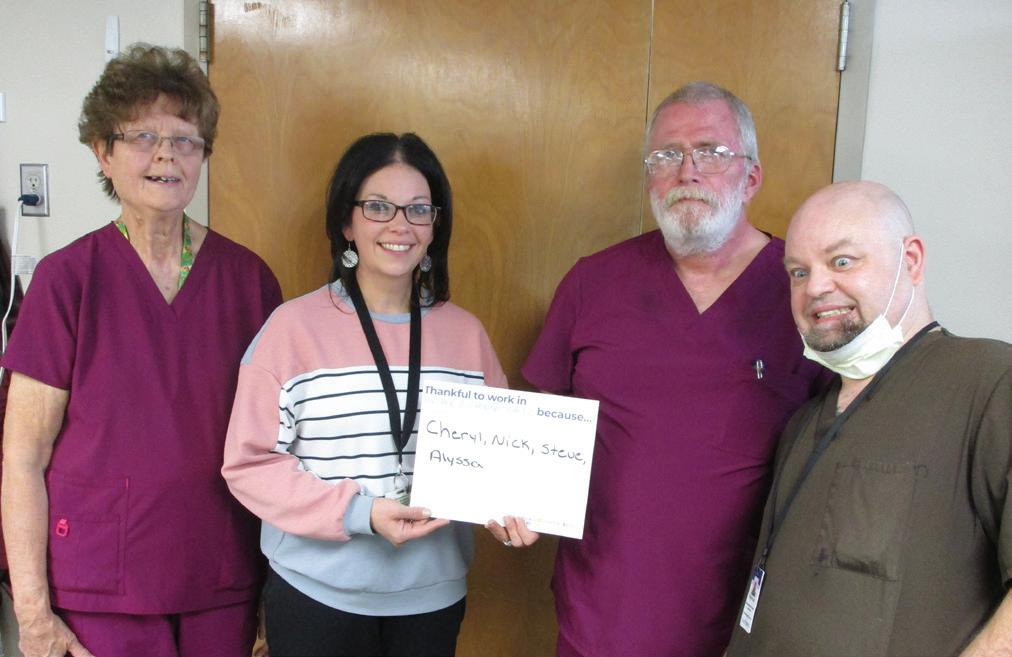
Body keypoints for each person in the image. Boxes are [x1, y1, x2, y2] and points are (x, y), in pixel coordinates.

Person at [521, 81, 827, 657]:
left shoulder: (804, 296)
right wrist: (513, 500)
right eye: (666, 156)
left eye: (711, 152)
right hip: (602, 617)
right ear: (650, 179)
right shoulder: (592, 284)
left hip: (745, 628)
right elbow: (538, 430)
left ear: (751, 177)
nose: (687, 172)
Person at [0, 44, 282, 657]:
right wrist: (33, 613)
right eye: (142, 136)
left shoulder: (249, 281)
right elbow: (22, 458)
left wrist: (277, 593)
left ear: (203, 154)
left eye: (185, 139)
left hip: (221, 571)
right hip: (100, 579)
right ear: (102, 151)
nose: (165, 155)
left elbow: (278, 448)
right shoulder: (66, 280)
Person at [222, 132, 537, 657]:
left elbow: (498, 463)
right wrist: (359, 513)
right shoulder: (290, 330)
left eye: (418, 209)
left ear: (435, 226)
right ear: (347, 223)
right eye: (378, 206)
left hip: (431, 599)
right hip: (315, 598)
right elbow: (249, 465)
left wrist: (512, 512)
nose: (400, 225)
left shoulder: (466, 335)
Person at [725, 181, 1012, 656]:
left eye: (842, 262)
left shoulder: (989, 382)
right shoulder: (803, 424)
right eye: (798, 272)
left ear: (911, 261)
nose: (816, 287)